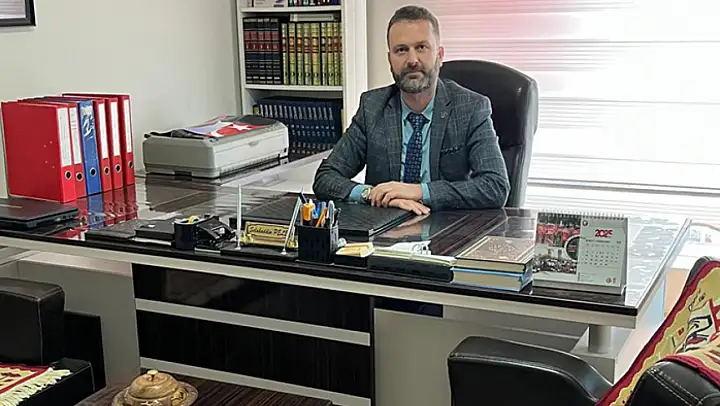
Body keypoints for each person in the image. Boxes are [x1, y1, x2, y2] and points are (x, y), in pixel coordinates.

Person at [312, 5, 510, 214]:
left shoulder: (470, 108)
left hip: (447, 227)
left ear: (440, 55)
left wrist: (419, 191)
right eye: (401, 50)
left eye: (421, 47)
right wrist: (372, 194)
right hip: (386, 226)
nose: (412, 60)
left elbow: (495, 186)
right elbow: (326, 177)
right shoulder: (372, 106)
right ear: (390, 59)